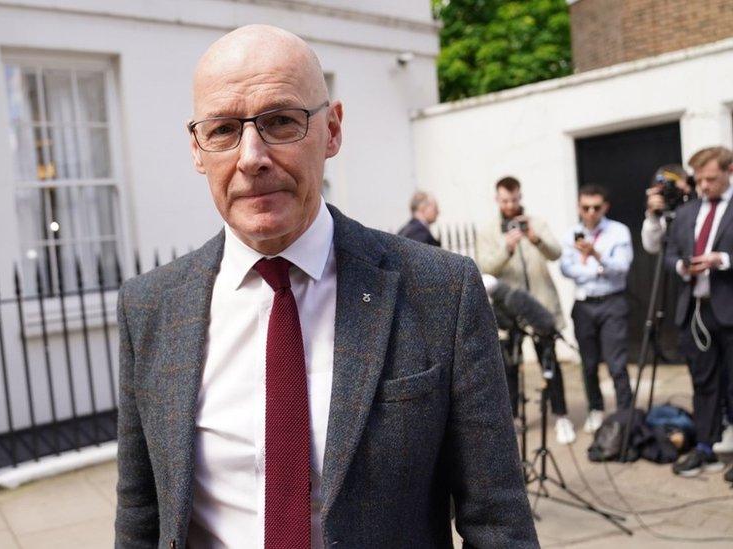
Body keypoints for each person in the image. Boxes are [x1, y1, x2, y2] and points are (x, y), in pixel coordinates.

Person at [114, 25, 537, 547]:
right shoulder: (149, 307)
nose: (251, 156)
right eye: (224, 129)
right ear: (198, 149)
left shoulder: (441, 291)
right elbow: (140, 514)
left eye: (280, 122)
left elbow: (498, 523)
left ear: (332, 129)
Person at [476, 176, 575, 445]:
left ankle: (561, 416)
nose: (510, 205)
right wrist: (506, 247)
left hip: (540, 305)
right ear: (497, 199)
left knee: (549, 363)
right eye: (505, 200)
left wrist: (535, 238)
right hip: (508, 311)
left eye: (514, 199)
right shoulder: (487, 231)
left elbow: (556, 253)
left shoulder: (537, 222)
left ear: (521, 197)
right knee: (509, 367)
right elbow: (484, 267)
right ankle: (514, 418)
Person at [664, 146, 733, 483]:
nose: (704, 185)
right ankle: (705, 446)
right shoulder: (687, 213)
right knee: (703, 382)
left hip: (730, 308)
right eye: (700, 180)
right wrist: (681, 266)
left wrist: (723, 260)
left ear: (729, 171)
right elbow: (670, 254)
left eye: (711, 178)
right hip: (696, 311)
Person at [560, 184, 634, 434]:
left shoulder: (618, 232)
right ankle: (596, 408)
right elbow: (566, 269)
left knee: (616, 363)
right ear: (579, 207)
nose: (590, 212)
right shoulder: (572, 233)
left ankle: (626, 412)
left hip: (612, 302)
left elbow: (622, 267)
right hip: (584, 305)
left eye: (596, 207)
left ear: (605, 207)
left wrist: (596, 255)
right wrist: (598, 269)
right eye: (585, 207)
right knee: (589, 364)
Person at [641, 164, 694, 254]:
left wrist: (690, 196)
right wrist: (653, 217)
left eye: (673, 187)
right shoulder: (660, 213)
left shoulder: (696, 206)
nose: (670, 192)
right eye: (666, 189)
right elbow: (651, 247)